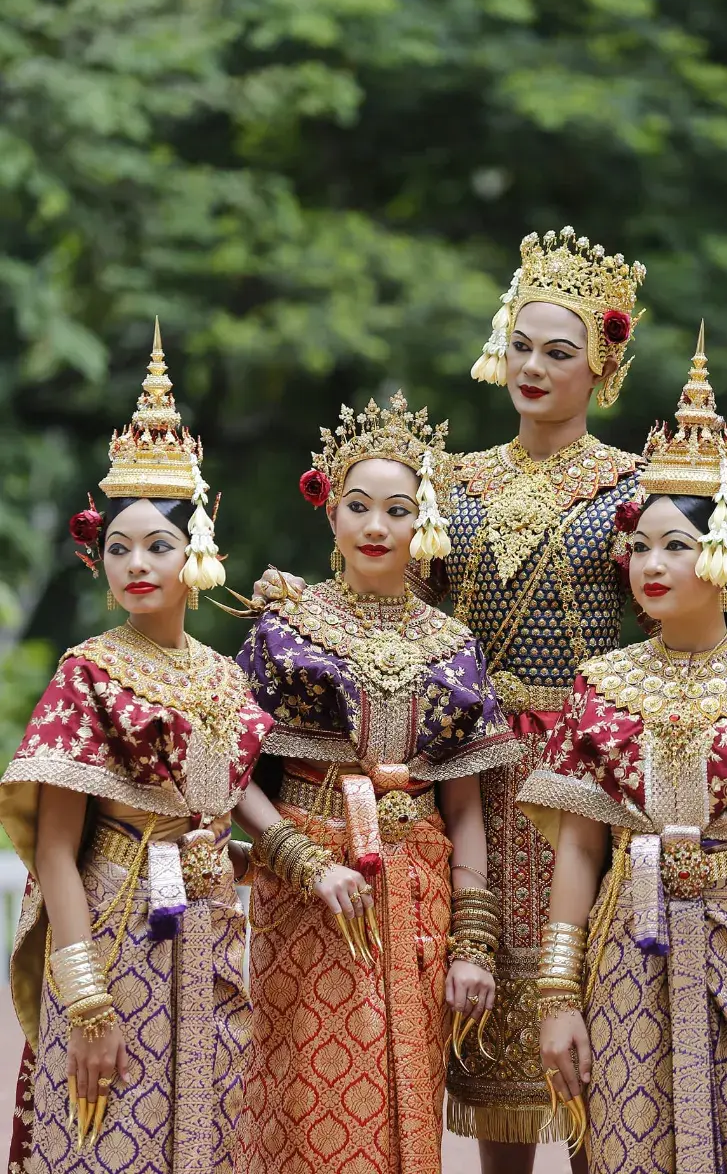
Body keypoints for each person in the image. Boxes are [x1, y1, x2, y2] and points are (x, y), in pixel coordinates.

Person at [253, 228, 648, 1171]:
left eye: (560, 351)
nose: (533, 366)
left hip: (582, 773)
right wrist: (292, 607)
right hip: (455, 776)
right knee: (467, 1027)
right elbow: (383, 611)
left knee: (591, 1008)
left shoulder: (635, 487)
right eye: (520, 343)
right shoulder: (450, 485)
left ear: (602, 365)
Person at [518, 328, 727, 1173]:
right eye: (638, 547)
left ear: (725, 553)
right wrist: (557, 997)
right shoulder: (600, 686)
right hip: (626, 947)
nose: (650, 565)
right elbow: (580, 849)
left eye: (673, 545)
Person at [1, 322, 273, 1174]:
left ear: (197, 553)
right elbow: (54, 846)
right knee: (105, 1133)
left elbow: (228, 815)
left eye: (158, 544)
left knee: (210, 1130)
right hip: (117, 926)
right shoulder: (88, 673)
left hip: (211, 928)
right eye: (118, 547)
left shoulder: (229, 679)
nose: (136, 564)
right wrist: (83, 1001)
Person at [230, 393, 521, 1174]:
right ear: (330, 514)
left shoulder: (453, 647)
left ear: (420, 522)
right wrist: (298, 858)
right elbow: (226, 769)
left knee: (405, 1098)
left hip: (417, 888)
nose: (375, 526)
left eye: (397, 509)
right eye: (358, 505)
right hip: (309, 888)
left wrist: (474, 946)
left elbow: (464, 810)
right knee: (304, 1101)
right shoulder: (287, 630)